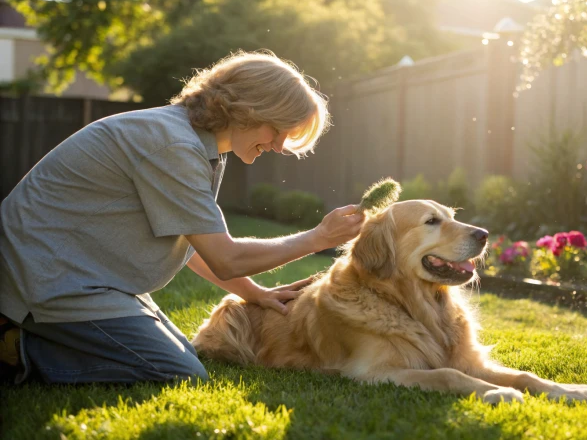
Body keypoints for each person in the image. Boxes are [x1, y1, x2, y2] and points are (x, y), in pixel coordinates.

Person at [0, 50, 364, 384]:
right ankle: (15, 350)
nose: (280, 146)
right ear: (250, 108)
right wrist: (318, 238)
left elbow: (193, 245)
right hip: (46, 279)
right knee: (177, 371)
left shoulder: (198, 145)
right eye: (279, 129)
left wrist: (253, 292)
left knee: (184, 355)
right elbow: (225, 259)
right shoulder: (173, 146)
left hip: (86, 277)